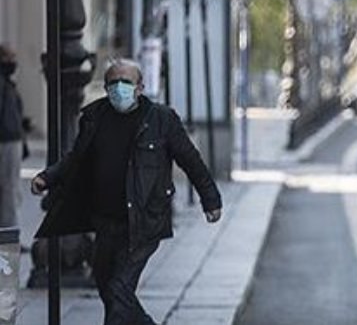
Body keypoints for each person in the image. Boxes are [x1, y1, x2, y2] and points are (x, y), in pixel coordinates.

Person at [31, 59, 222, 325]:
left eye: (126, 82)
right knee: (108, 287)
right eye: (113, 82)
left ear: (140, 87)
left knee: (119, 289)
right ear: (106, 86)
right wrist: (47, 177)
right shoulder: (94, 117)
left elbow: (191, 160)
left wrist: (210, 199)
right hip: (104, 220)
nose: (119, 87)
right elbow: (76, 158)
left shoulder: (161, 119)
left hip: (144, 221)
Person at [0, 45, 23, 229]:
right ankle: (8, 238)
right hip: (6, 141)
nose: (13, 62)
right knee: (9, 191)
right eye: (10, 57)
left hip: (10, 139)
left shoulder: (7, 83)